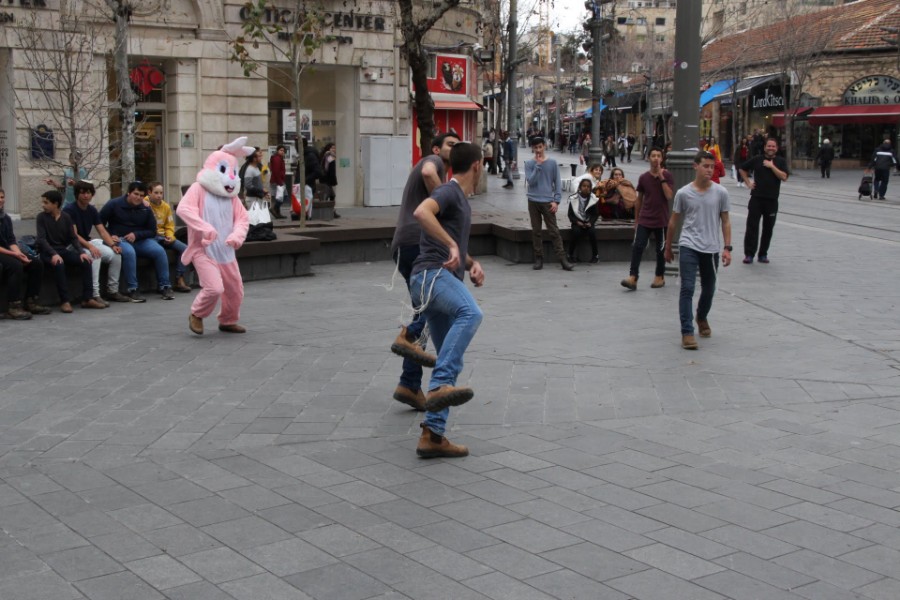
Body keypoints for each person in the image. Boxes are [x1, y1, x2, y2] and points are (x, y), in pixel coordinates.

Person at [408, 141, 485, 458]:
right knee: (471, 314)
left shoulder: (461, 201)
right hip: (430, 276)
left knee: (449, 357)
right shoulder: (450, 192)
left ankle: (432, 436)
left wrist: (470, 262)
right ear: (477, 166)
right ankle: (438, 387)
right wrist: (452, 248)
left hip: (435, 280)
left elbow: (453, 244)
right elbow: (421, 212)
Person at [389, 132, 459, 411]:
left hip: (405, 245)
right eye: (450, 145)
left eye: (458, 147)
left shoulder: (430, 163)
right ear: (435, 148)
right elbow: (430, 171)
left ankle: (409, 382)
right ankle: (408, 336)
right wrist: (445, 201)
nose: (453, 150)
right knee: (433, 309)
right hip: (419, 245)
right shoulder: (432, 161)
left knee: (428, 309)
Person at [176, 137, 252, 335]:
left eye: (234, 172)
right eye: (225, 170)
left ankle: (228, 320)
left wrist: (237, 235)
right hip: (204, 249)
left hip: (226, 251)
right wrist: (204, 227)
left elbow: (243, 219)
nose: (231, 177)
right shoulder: (198, 189)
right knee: (214, 288)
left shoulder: (232, 197)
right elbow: (184, 209)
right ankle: (197, 314)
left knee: (235, 290)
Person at [664, 150, 732, 350]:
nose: (709, 170)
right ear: (695, 166)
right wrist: (668, 247)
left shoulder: (721, 192)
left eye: (712, 167)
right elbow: (673, 222)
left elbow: (726, 221)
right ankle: (687, 331)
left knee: (710, 288)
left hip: (711, 248)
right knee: (687, 288)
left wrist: (727, 247)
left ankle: (701, 316)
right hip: (689, 245)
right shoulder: (684, 193)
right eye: (705, 166)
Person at [99, 181, 174, 301]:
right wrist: (109, 235)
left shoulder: (145, 207)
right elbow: (99, 222)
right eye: (135, 194)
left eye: (141, 195)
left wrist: (136, 234)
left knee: (159, 251)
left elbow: (152, 230)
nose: (138, 197)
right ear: (128, 193)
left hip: (140, 240)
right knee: (129, 252)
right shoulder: (114, 204)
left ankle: (165, 286)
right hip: (120, 239)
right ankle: (133, 289)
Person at [64, 180, 131, 304]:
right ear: (77, 194)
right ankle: (94, 294)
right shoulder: (70, 210)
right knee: (95, 255)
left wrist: (113, 245)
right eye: (82, 193)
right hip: (72, 245)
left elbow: (102, 230)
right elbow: (74, 235)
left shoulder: (92, 210)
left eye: (89, 193)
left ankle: (113, 290)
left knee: (115, 254)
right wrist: (90, 247)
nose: (86, 196)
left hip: (87, 242)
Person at [35, 190, 100, 312]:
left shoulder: (66, 217)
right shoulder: (41, 217)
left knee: (86, 261)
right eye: (43, 202)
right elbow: (41, 240)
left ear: (56, 204)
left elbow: (73, 238)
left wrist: (81, 252)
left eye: (46, 202)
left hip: (62, 251)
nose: (43, 205)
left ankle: (88, 298)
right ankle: (65, 301)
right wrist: (53, 254)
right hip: (48, 252)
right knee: (59, 265)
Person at [621, 147, 674, 291]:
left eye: (658, 156)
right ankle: (633, 277)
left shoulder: (667, 175)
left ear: (662, 159)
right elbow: (639, 200)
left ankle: (659, 276)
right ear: (649, 158)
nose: (656, 158)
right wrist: (636, 220)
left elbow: (669, 196)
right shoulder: (643, 178)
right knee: (638, 246)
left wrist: (661, 177)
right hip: (645, 218)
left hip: (661, 219)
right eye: (653, 156)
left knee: (660, 250)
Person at [0, 189, 50, 319]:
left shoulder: (5, 218)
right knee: (15, 266)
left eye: (2, 197)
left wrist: (19, 253)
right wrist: (15, 255)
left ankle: (31, 301)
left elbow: (11, 240)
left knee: (36, 263)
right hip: (2, 252)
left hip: (7, 250)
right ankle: (14, 306)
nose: (1, 200)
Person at [525, 136, 573, 271]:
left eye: (540, 147)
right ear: (533, 148)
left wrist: (556, 200)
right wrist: (538, 166)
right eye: (535, 148)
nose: (538, 150)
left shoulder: (552, 163)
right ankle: (538, 258)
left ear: (544, 146)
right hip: (533, 200)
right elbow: (531, 182)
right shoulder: (529, 164)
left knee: (554, 231)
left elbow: (557, 182)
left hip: (547, 201)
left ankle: (563, 259)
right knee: (536, 231)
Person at [739, 137, 789, 264]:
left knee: (768, 229)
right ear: (764, 147)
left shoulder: (780, 161)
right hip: (756, 199)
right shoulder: (757, 159)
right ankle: (749, 254)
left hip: (772, 200)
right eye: (769, 146)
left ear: (776, 148)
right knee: (752, 227)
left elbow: (784, 177)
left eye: (773, 146)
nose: (771, 148)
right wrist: (748, 183)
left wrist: (772, 166)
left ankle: (763, 254)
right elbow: (742, 169)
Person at [146, 182, 192, 293]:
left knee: (185, 249)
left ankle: (179, 278)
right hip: (151, 236)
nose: (159, 195)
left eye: (161, 193)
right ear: (149, 193)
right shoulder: (145, 204)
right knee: (159, 252)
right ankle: (162, 284)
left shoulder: (165, 206)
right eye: (156, 193)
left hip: (164, 236)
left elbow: (170, 225)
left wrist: (170, 236)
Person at [566, 176, 600, 263]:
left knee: (592, 233)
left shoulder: (593, 199)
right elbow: (570, 214)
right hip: (577, 222)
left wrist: (591, 222)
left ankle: (595, 255)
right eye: (584, 186)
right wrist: (576, 222)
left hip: (588, 222)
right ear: (580, 187)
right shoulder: (573, 199)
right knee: (576, 232)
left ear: (590, 188)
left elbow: (595, 214)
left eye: (588, 186)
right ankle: (570, 254)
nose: (586, 188)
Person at [268, 144, 287, 219]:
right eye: (281, 150)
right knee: (283, 196)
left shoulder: (279, 158)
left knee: (280, 196)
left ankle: (277, 213)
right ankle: (274, 208)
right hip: (277, 180)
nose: (282, 152)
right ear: (277, 150)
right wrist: (280, 182)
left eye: (283, 151)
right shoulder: (277, 158)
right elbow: (276, 171)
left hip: (279, 180)